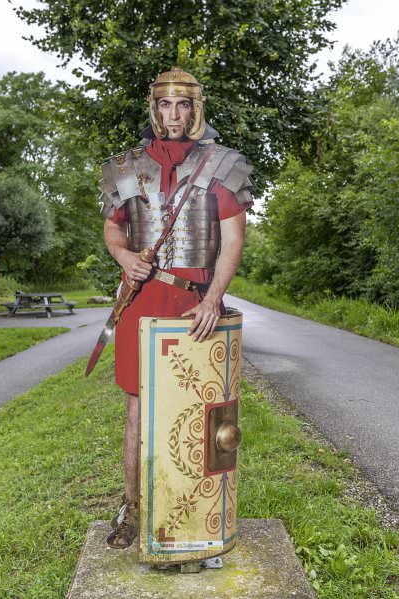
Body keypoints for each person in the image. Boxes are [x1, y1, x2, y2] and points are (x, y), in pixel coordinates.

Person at [98, 68, 253, 549]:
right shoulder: (125, 166)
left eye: (182, 105)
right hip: (141, 306)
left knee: (201, 413)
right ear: (154, 108)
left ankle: (194, 513)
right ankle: (134, 508)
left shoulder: (224, 165)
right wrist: (125, 258)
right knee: (138, 411)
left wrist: (212, 299)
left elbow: (232, 241)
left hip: (193, 307)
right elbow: (114, 229)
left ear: (196, 109)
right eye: (165, 105)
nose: (173, 115)